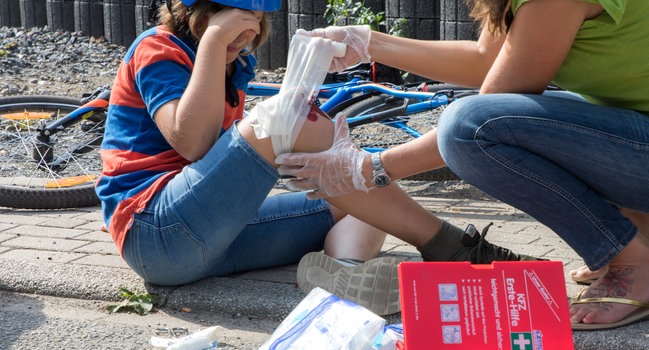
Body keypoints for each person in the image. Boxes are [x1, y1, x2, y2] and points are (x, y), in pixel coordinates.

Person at [276, 0, 649, 328]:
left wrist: (371, 168)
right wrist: (368, 42)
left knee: (468, 125)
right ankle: (644, 227)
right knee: (511, 115)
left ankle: (637, 263)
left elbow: (482, 122)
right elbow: (487, 61)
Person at [95, 0, 533, 316]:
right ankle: (449, 246)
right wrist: (214, 40)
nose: (247, 33)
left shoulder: (235, 65)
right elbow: (193, 143)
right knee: (287, 117)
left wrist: (333, 164)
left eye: (255, 21)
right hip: (156, 234)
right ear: (193, 9)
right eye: (233, 19)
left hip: (216, 242)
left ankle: (345, 273)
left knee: (359, 196)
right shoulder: (158, 48)